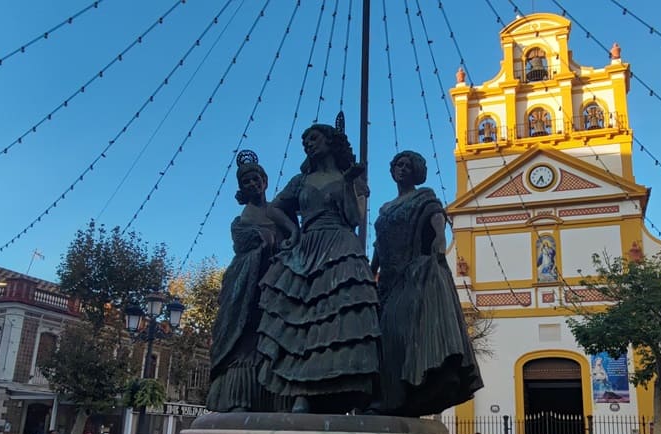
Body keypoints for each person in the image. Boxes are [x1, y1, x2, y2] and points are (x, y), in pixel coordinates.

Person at [256, 124, 381, 414]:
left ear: (330, 141)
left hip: (340, 243)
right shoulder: (300, 180)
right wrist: (293, 230)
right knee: (302, 317)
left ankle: (346, 387)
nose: (308, 144)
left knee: (341, 315)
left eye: (313, 138)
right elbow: (274, 208)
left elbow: (355, 218)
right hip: (308, 246)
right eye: (305, 141)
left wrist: (350, 184)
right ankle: (302, 391)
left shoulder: (350, 178)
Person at [371, 150, 483, 416]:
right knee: (386, 339)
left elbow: (437, 229)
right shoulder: (385, 208)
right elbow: (379, 245)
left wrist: (437, 253)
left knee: (400, 334)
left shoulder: (425, 198)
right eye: (398, 164)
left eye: (408, 165)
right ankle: (388, 397)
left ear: (416, 171)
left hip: (413, 276)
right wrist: (370, 269)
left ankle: (400, 398)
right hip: (386, 282)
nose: (401, 169)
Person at [207, 150, 297, 413]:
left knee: (277, 336)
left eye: (256, 179)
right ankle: (240, 397)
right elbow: (244, 242)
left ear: (265, 181)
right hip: (248, 281)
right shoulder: (243, 218)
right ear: (242, 188)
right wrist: (263, 241)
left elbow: (294, 240)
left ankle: (280, 396)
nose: (252, 184)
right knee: (245, 338)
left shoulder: (279, 210)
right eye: (246, 182)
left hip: (278, 281)